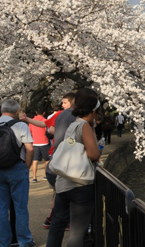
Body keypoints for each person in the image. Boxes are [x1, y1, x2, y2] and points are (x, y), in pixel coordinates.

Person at [46, 93, 101, 247]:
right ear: (93, 112)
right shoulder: (83, 126)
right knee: (78, 233)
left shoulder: (72, 125)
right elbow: (93, 154)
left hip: (64, 183)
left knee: (57, 223)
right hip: (80, 185)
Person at [0, 99, 35, 247]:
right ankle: (24, 240)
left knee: (0, 209)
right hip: (17, 168)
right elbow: (30, 149)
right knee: (20, 208)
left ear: (2, 109)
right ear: (16, 111)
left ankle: (2, 242)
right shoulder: (20, 126)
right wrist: (27, 166)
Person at [29, 107, 50, 183]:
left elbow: (30, 132)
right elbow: (48, 131)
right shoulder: (45, 121)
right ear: (44, 113)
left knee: (35, 160)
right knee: (47, 160)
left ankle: (34, 177)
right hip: (44, 142)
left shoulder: (32, 122)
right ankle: (45, 175)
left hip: (35, 142)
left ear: (36, 112)